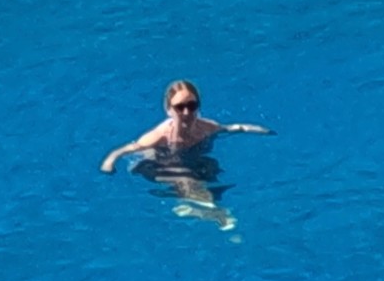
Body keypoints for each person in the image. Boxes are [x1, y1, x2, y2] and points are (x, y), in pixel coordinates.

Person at [98, 80, 273, 229]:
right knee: (185, 179)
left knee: (211, 173)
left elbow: (231, 128)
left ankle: (187, 206)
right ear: (169, 110)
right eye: (179, 107)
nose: (187, 112)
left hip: (190, 160)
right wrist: (109, 162)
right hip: (157, 164)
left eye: (192, 106)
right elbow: (127, 149)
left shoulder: (206, 128)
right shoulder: (160, 135)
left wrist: (256, 129)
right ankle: (215, 213)